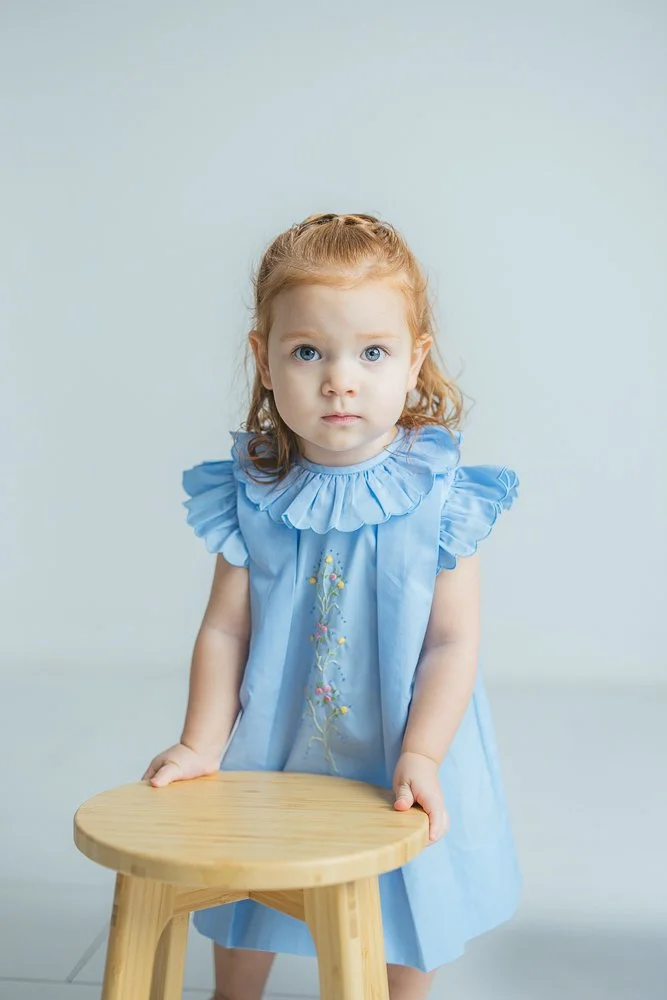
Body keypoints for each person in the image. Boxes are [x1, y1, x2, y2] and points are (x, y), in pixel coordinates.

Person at [142, 212, 521, 1000]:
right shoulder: (254, 488)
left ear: (415, 360)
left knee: (405, 873)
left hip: (401, 729)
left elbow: (451, 644)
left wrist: (421, 752)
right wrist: (200, 743)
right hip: (279, 729)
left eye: (372, 352)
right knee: (247, 865)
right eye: (307, 351)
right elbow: (224, 628)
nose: (338, 379)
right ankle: (233, 992)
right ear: (266, 361)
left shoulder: (441, 495)